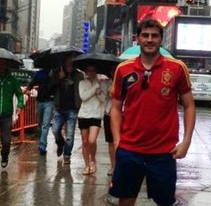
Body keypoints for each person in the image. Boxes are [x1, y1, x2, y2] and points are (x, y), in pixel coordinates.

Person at [108, 19, 196, 206]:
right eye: (145, 35)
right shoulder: (123, 70)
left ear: (161, 40)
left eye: (154, 36)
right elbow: (115, 107)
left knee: (165, 201)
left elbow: (189, 105)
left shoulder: (177, 68)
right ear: (137, 38)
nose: (150, 40)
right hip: (130, 150)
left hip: (164, 152)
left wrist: (186, 142)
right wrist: (117, 141)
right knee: (125, 199)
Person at [50, 55, 84, 164]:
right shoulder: (56, 72)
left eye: (71, 61)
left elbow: (82, 90)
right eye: (67, 61)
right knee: (55, 130)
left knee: (69, 135)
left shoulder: (78, 75)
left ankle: (67, 155)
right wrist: (59, 79)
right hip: (59, 108)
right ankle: (60, 143)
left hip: (72, 109)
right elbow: (50, 88)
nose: (69, 63)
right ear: (64, 62)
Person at [77, 64, 106, 175]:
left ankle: (93, 160)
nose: (91, 73)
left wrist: (99, 93)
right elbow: (83, 97)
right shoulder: (82, 83)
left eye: (93, 70)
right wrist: (94, 89)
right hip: (84, 114)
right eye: (89, 71)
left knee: (91, 140)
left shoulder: (101, 83)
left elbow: (103, 98)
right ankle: (87, 165)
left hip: (96, 115)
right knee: (85, 142)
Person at [25, 69, 54, 155]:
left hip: (50, 101)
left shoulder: (55, 73)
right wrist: (28, 88)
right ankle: (41, 141)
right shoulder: (40, 73)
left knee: (45, 124)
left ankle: (42, 145)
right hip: (40, 101)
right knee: (40, 124)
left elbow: (57, 85)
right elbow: (33, 82)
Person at [102, 66, 116, 176]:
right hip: (108, 113)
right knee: (111, 141)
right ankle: (113, 166)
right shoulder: (107, 83)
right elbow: (105, 96)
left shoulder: (126, 81)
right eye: (112, 70)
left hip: (123, 113)